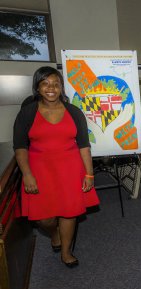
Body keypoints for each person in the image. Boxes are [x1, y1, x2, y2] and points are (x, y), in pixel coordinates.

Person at [13, 66, 99, 268]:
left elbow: (84, 146)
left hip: (70, 169)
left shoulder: (74, 112)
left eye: (56, 83)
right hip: (39, 171)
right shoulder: (27, 113)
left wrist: (89, 174)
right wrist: (27, 175)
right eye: (45, 83)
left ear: (61, 87)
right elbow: (20, 147)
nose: (51, 88)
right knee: (44, 218)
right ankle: (54, 232)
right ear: (38, 87)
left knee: (69, 212)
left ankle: (67, 252)